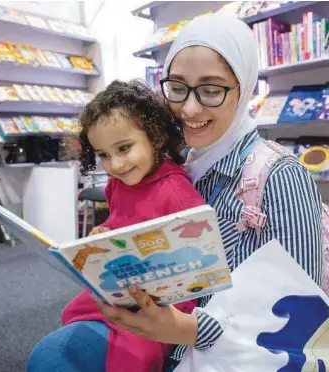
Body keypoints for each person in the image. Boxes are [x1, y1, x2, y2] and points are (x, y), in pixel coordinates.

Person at [28, 13, 323, 372]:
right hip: (157, 336)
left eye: (212, 90)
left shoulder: (280, 177)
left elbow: (301, 317)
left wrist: (188, 329)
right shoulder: (168, 162)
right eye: (178, 87)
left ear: (243, 87)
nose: (190, 108)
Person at [27, 80, 205, 372]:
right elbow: (120, 220)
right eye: (104, 155)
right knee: (76, 320)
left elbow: (196, 260)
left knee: (125, 354)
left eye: (124, 148)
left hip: (160, 307)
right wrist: (104, 233)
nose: (116, 165)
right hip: (120, 288)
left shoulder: (176, 191)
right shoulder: (118, 184)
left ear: (155, 137)